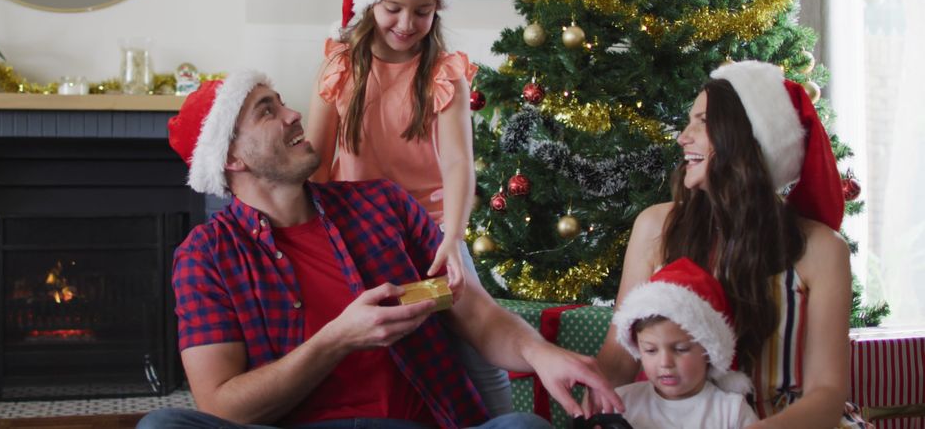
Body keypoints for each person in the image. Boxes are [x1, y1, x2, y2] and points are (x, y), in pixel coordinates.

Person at [138, 70, 624, 429]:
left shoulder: (382, 206)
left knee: (522, 427)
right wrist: (338, 339)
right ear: (230, 156)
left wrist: (539, 353)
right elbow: (221, 407)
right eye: (267, 111)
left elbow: (475, 312)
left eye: (282, 102)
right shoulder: (206, 255)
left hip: (416, 423)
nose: (293, 114)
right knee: (164, 426)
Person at [305, 0, 513, 414]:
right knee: (369, 352)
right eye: (393, 8)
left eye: (422, 11)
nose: (406, 23)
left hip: (431, 230)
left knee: (477, 346)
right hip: (356, 231)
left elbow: (458, 161)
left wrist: (453, 238)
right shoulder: (339, 67)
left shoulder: (443, 72)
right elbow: (314, 162)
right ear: (371, 4)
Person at [595, 61, 869, 428]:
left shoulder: (822, 249)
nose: (683, 137)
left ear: (747, 137)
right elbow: (617, 362)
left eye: (702, 121)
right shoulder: (656, 227)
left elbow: (827, 394)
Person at [611, 256, 759, 428]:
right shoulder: (621, 402)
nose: (665, 363)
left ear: (709, 350)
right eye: (651, 350)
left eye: (681, 349)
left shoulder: (731, 411)